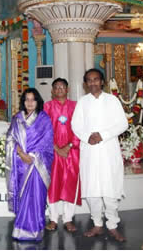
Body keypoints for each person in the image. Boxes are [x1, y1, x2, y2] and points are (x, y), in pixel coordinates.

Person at [71, 68, 128, 242]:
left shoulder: (112, 100)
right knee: (92, 191)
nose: (93, 83)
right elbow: (75, 125)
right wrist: (88, 137)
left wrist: (102, 135)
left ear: (102, 82)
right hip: (89, 150)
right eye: (89, 80)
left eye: (96, 79)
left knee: (110, 190)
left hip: (108, 150)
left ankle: (112, 225)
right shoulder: (82, 102)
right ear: (85, 83)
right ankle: (97, 224)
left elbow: (123, 124)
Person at [6, 87, 54, 241]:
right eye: (27, 99)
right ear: (23, 102)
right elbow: (10, 139)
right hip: (20, 164)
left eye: (33, 99)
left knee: (35, 198)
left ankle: (35, 229)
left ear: (38, 101)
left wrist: (32, 157)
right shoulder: (17, 118)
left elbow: (47, 144)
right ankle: (21, 230)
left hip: (37, 165)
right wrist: (20, 153)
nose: (30, 102)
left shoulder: (44, 119)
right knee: (23, 197)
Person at [43, 78, 81, 232]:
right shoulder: (47, 106)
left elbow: (80, 129)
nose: (59, 89)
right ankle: (53, 218)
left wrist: (70, 145)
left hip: (72, 151)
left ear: (67, 89)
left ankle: (68, 219)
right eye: (56, 87)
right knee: (53, 184)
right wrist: (55, 148)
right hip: (53, 152)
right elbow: (43, 129)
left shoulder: (75, 106)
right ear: (52, 91)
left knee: (70, 183)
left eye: (62, 87)